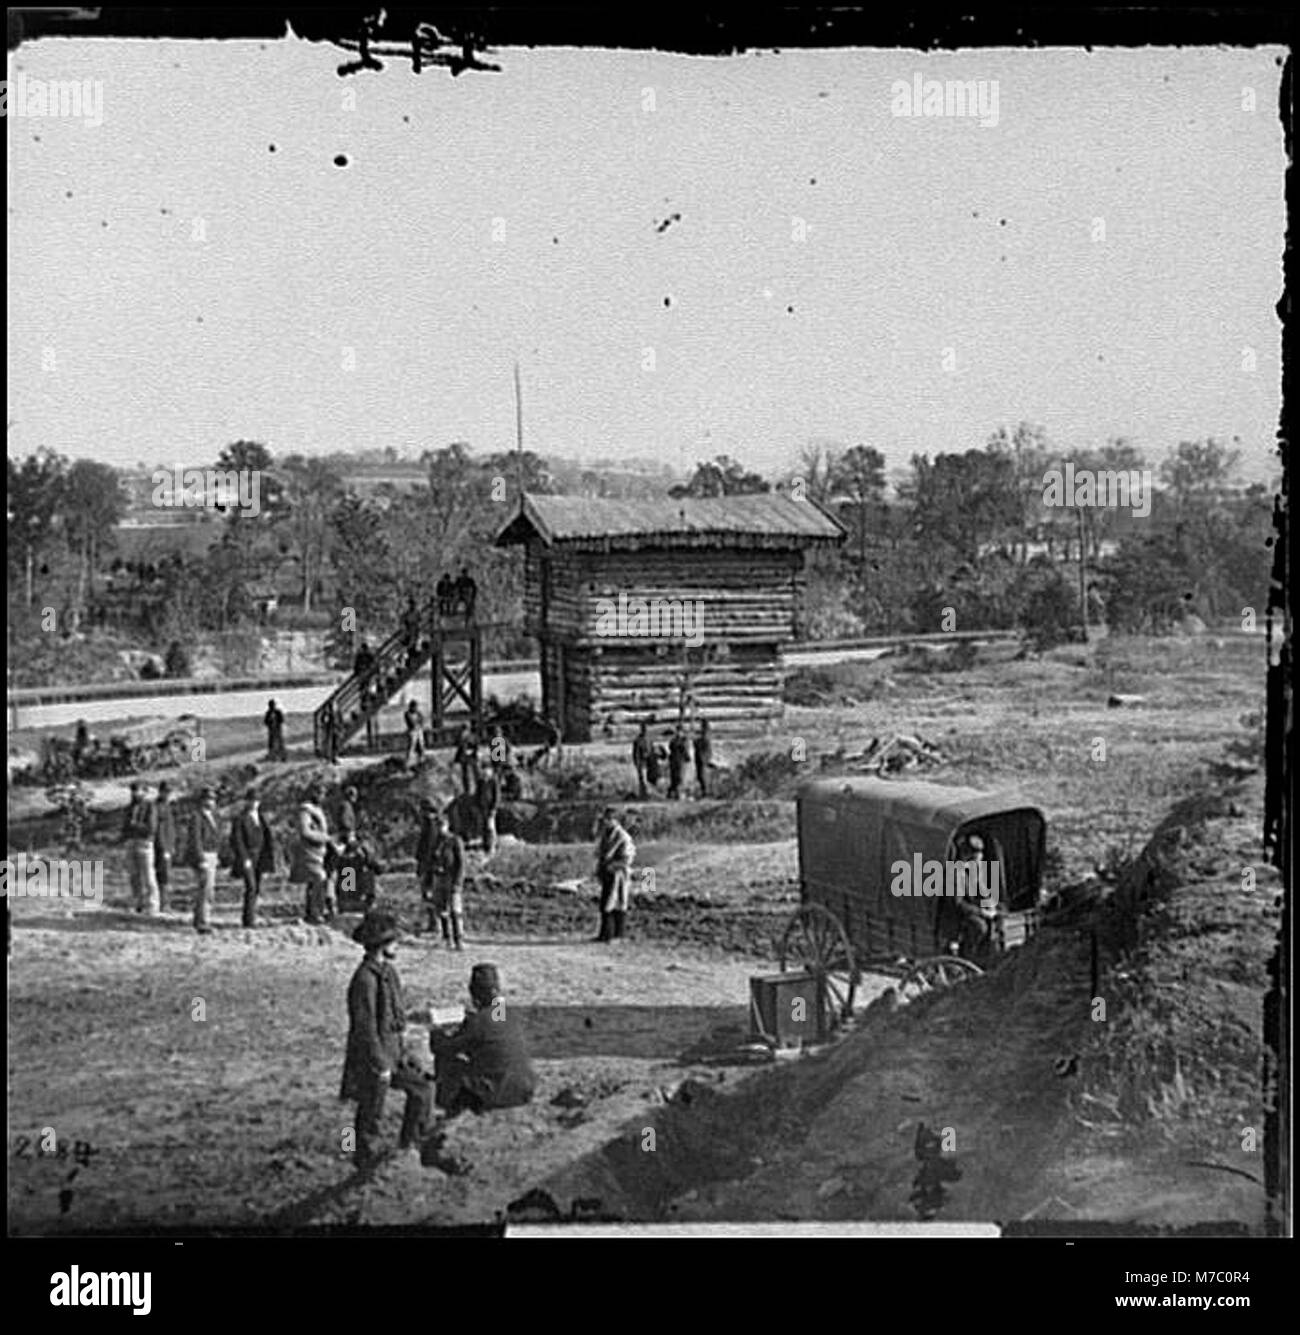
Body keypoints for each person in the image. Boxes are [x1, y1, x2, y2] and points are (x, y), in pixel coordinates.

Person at [340, 910, 433, 1169]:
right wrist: (380, 1065)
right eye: (394, 941)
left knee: (424, 1089)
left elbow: (397, 1014)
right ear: (382, 944)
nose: (398, 946)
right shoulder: (364, 980)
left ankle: (408, 1146)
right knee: (371, 1112)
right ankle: (362, 1160)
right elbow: (365, 1028)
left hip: (396, 1052)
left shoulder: (389, 973)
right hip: (373, 1057)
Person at [428, 963, 536, 1115]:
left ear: (474, 994)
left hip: (496, 1093)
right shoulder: (508, 1013)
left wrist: (436, 1030)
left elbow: (443, 1047)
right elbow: (493, 1028)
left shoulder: (478, 1021)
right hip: (524, 1089)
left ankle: (446, 1106)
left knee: (446, 1060)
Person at [230, 787, 276, 928]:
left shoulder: (261, 818)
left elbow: (268, 838)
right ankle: (249, 920)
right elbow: (237, 840)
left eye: (256, 800)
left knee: (256, 888)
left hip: (260, 856)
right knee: (251, 886)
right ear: (247, 801)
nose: (254, 803)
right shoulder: (240, 818)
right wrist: (244, 859)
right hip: (248, 856)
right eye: (252, 800)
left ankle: (250, 916)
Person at [291, 781, 335, 924]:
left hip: (323, 849)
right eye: (319, 793)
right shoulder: (306, 810)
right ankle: (317, 912)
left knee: (328, 878)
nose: (322, 796)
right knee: (319, 879)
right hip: (311, 850)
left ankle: (323, 909)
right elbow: (305, 831)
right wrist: (327, 838)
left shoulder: (319, 809)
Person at [421, 810, 466, 949]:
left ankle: (458, 939)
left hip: (451, 878)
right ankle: (446, 938)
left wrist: (458, 882)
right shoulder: (435, 842)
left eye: (442, 825)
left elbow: (461, 863)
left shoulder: (455, 841)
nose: (440, 828)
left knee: (455, 910)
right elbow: (429, 862)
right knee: (441, 910)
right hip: (438, 878)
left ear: (447, 825)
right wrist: (427, 882)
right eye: (438, 825)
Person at [593, 806, 636, 943]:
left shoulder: (622, 836)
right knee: (606, 902)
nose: (606, 822)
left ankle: (617, 935)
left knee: (617, 902)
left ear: (615, 821)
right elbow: (601, 854)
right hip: (608, 872)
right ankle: (605, 934)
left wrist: (612, 866)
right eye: (605, 819)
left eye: (609, 819)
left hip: (619, 873)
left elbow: (627, 857)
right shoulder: (606, 834)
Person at [182, 786, 221, 934]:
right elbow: (195, 839)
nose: (211, 802)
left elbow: (216, 837)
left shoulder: (214, 816)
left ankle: (200, 919)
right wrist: (201, 859)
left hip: (212, 854)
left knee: (207, 889)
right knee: (206, 889)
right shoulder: (197, 817)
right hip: (204, 855)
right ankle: (203, 921)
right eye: (208, 799)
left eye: (213, 799)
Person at [121, 780, 160, 915]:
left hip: (144, 843)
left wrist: (135, 826)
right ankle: (137, 903)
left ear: (145, 792)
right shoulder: (129, 808)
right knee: (133, 875)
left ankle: (152, 905)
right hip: (131, 842)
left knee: (148, 875)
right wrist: (131, 830)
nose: (136, 793)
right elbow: (124, 827)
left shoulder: (150, 807)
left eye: (138, 790)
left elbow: (151, 828)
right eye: (133, 790)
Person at [335, 832, 384, 913]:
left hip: (342, 904)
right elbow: (378, 870)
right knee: (369, 874)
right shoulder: (360, 858)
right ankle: (369, 903)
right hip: (358, 903)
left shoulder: (339, 859)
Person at [154, 780, 177, 911]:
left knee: (167, 875)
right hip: (161, 846)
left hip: (168, 845)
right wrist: (164, 847)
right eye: (166, 792)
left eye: (169, 792)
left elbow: (171, 829)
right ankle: (164, 903)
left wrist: (172, 845)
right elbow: (159, 830)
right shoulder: (157, 807)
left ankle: (165, 902)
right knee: (163, 875)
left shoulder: (168, 806)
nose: (168, 794)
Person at [476, 765, 500, 856]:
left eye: (487, 770)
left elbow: (496, 796)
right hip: (482, 808)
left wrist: (494, 808)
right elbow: (477, 794)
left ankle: (492, 846)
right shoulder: (480, 781)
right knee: (483, 827)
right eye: (484, 770)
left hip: (490, 808)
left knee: (490, 827)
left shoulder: (493, 781)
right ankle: (485, 845)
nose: (485, 772)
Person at [453, 725, 480, 795]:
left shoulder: (472, 737)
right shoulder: (461, 738)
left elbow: (475, 747)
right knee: (465, 775)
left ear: (467, 730)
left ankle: (478, 788)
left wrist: (472, 753)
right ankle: (466, 790)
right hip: (464, 759)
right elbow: (459, 748)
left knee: (475, 774)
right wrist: (456, 759)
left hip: (471, 758)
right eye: (462, 731)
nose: (462, 732)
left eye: (463, 731)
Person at [667, 726, 690, 801]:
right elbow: (670, 747)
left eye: (679, 731)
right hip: (674, 761)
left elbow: (685, 750)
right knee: (674, 777)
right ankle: (674, 794)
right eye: (677, 731)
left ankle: (680, 794)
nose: (678, 733)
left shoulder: (684, 740)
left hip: (681, 761)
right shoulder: (674, 740)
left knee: (681, 778)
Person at [403, 699, 426, 771]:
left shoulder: (418, 713)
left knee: (421, 745)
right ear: (411, 707)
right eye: (414, 707)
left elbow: (422, 720)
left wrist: (419, 723)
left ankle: (421, 761)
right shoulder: (407, 713)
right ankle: (408, 763)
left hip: (419, 730)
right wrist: (418, 723)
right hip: (412, 731)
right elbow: (412, 723)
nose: (416, 708)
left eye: (416, 707)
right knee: (411, 746)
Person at [694, 718, 713, 797]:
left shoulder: (705, 737)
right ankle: (704, 791)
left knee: (702, 775)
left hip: (702, 758)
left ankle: (705, 792)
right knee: (700, 775)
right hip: (701, 757)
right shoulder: (704, 737)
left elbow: (704, 747)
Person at [631, 721, 651, 798]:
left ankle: (644, 794)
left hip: (647, 762)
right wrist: (636, 762)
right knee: (642, 779)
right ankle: (644, 794)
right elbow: (636, 753)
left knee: (644, 779)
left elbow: (650, 751)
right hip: (641, 762)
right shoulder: (638, 740)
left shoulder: (648, 740)